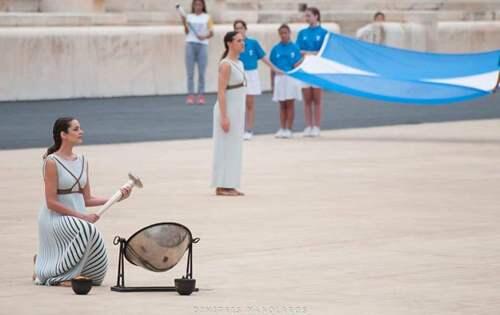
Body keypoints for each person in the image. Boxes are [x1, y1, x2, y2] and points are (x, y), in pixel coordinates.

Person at [34, 117, 132, 286]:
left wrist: (115, 198)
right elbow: (51, 202)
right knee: (86, 230)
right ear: (63, 134)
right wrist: (82, 217)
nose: (81, 132)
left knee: (97, 271)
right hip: (54, 218)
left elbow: (87, 198)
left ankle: (44, 262)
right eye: (76, 129)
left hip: (77, 219)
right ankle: (55, 275)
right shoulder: (51, 162)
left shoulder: (83, 161)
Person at [233, 19, 281, 141]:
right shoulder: (233, 43)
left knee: (249, 104)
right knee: (237, 104)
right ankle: (238, 130)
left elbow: (264, 57)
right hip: (238, 74)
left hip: (251, 75)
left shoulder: (253, 43)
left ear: (245, 29)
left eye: (241, 28)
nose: (239, 30)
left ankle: (248, 130)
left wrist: (274, 69)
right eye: (236, 28)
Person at [212, 32, 247, 196]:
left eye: (243, 40)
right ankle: (222, 185)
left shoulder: (239, 63)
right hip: (228, 110)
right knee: (224, 146)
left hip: (238, 110)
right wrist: (224, 116)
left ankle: (230, 183)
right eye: (239, 41)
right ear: (229, 43)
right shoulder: (225, 65)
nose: (243, 43)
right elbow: (221, 92)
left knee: (234, 147)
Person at [296, 7, 328, 137]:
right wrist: (311, 53)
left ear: (316, 16)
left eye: (309, 16)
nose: (307, 18)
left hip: (317, 68)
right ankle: (308, 125)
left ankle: (317, 126)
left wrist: (309, 53)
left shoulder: (324, 32)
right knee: (307, 99)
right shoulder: (302, 33)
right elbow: (298, 49)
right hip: (305, 67)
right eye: (306, 16)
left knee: (317, 99)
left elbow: (324, 51)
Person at [269, 24, 303, 139]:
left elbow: (298, 64)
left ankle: (289, 128)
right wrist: (272, 82)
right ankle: (282, 127)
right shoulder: (275, 49)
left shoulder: (295, 48)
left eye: (285, 33)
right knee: (282, 104)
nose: (283, 35)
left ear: (289, 33)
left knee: (289, 104)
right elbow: (272, 66)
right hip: (279, 78)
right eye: (281, 33)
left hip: (290, 78)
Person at [181, 0, 214, 105]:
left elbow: (211, 32)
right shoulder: (189, 17)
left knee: (201, 73)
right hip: (190, 44)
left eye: (200, 4)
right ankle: (190, 95)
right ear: (193, 6)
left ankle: (201, 95)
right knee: (190, 72)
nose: (198, 6)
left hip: (202, 45)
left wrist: (203, 37)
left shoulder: (207, 17)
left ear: (203, 6)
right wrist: (184, 22)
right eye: (196, 4)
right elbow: (186, 31)